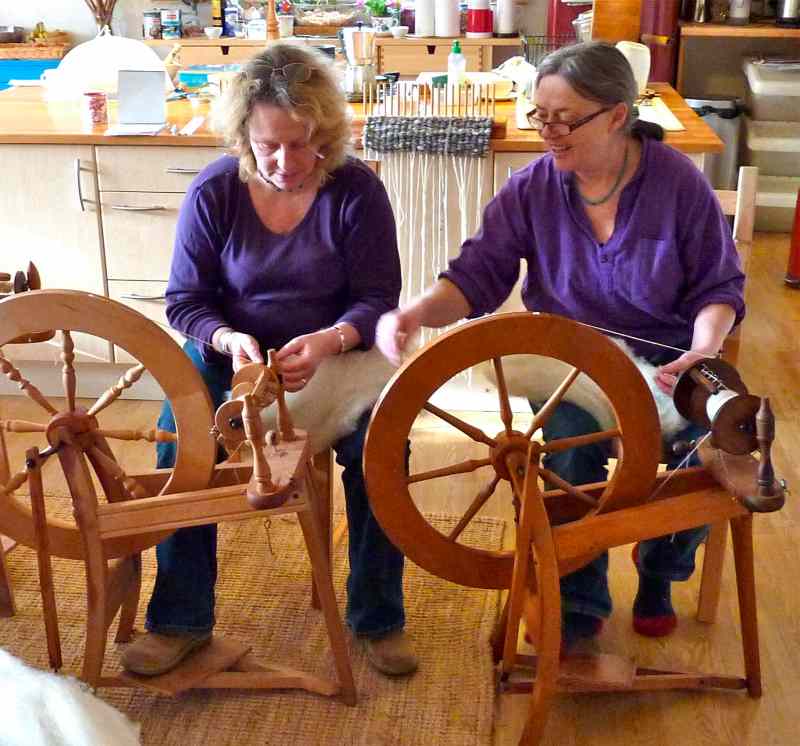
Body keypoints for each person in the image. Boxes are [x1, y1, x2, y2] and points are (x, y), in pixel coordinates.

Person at [375, 41, 745, 650]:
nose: (547, 131)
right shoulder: (532, 188)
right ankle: (579, 599)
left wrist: (704, 351)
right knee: (569, 457)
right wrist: (416, 312)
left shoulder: (677, 184)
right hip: (572, 367)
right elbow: (477, 276)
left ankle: (659, 572)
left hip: (671, 362)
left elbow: (718, 287)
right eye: (539, 115)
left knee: (707, 455)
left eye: (564, 119)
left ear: (618, 115)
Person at [121, 42, 416, 678]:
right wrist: (228, 340)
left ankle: (378, 616)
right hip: (230, 356)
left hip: (337, 355)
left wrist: (333, 339)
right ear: (244, 137)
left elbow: (377, 299)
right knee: (181, 449)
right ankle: (180, 619)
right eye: (268, 145)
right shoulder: (216, 191)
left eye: (303, 143)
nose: (286, 161)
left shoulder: (356, 191)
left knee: (383, 447)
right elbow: (185, 302)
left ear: (326, 135)